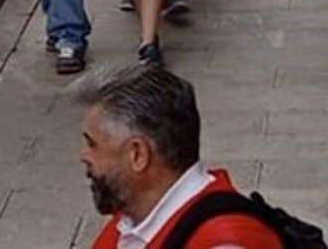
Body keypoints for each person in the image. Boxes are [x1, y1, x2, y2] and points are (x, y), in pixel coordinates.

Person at [80, 65, 285, 249]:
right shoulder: (134, 217)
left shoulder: (221, 242)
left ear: (138, 154)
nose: (84, 155)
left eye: (92, 144)